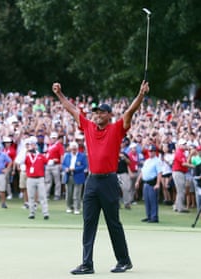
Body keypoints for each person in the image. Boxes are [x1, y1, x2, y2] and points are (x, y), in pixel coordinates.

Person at [53, 80, 149, 274]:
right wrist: (59, 94)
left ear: (109, 115)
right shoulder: (88, 127)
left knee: (113, 222)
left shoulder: (116, 129)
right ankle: (87, 263)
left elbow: (130, 112)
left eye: (101, 112)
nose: (97, 115)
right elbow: (72, 110)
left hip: (109, 181)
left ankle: (124, 260)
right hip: (92, 181)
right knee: (89, 222)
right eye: (95, 112)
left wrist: (141, 95)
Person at [135, 145, 162, 223]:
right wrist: (138, 181)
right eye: (149, 151)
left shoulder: (157, 161)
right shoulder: (147, 161)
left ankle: (154, 217)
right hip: (146, 183)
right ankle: (149, 216)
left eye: (152, 151)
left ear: (154, 152)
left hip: (152, 182)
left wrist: (158, 184)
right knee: (147, 200)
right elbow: (142, 172)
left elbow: (159, 173)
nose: (150, 153)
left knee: (153, 200)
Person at [25, 136, 49, 220]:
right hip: (30, 178)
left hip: (40, 178)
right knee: (31, 197)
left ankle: (45, 213)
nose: (33, 146)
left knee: (42, 196)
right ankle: (31, 213)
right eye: (31, 145)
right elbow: (19, 161)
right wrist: (26, 150)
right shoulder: (27, 156)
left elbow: (47, 161)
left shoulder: (41, 156)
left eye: (34, 145)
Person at [62, 141, 87, 215]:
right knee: (69, 193)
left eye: (75, 149)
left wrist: (75, 169)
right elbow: (63, 164)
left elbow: (84, 166)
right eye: (72, 149)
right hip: (68, 176)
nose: (73, 150)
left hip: (78, 176)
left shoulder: (82, 156)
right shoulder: (67, 155)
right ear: (70, 149)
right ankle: (69, 207)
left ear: (77, 148)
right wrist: (65, 168)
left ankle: (77, 208)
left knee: (77, 194)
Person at [172, 139, 193, 213]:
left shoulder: (182, 152)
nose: (185, 146)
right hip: (178, 172)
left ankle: (177, 206)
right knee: (181, 191)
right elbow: (184, 164)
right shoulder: (179, 152)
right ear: (180, 145)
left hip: (180, 172)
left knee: (180, 190)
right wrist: (194, 166)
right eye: (184, 144)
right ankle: (180, 207)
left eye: (185, 144)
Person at [45, 132, 65, 200]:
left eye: (54, 138)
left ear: (56, 138)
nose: (53, 139)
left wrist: (61, 164)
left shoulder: (59, 145)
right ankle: (46, 194)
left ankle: (57, 195)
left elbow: (62, 155)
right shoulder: (50, 145)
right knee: (48, 181)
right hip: (48, 164)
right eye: (52, 138)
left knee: (57, 181)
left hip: (56, 165)